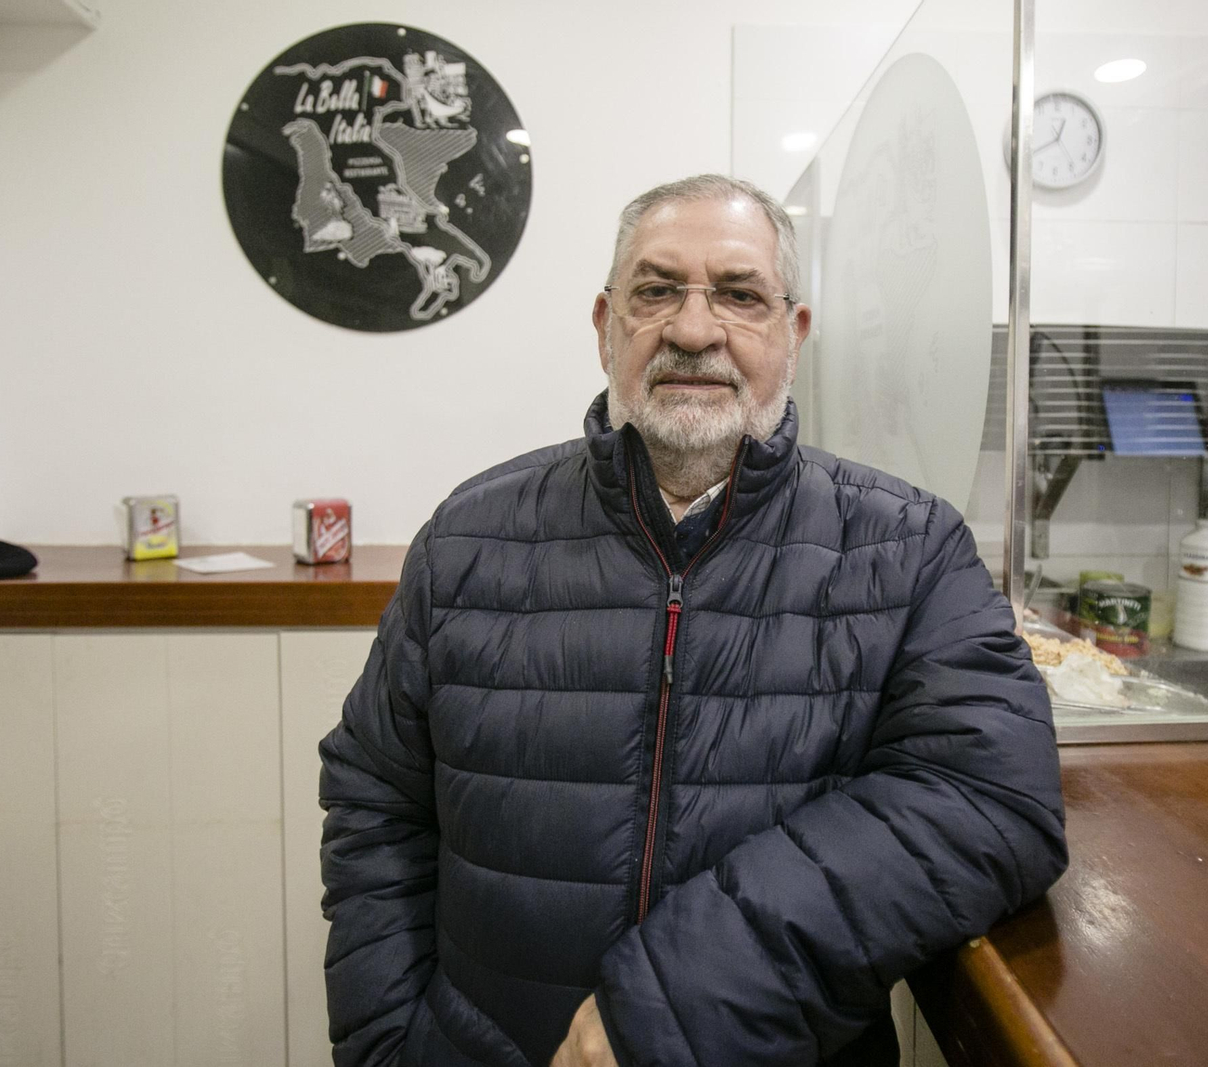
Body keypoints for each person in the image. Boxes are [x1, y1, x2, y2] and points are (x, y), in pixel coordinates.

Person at [319, 174, 1068, 1067]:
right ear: (607, 326)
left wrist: (677, 997)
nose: (692, 328)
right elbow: (375, 798)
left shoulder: (907, 549)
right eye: (656, 289)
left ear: (792, 337)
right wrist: (387, 1042)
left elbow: (992, 799)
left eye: (741, 294)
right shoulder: (467, 539)